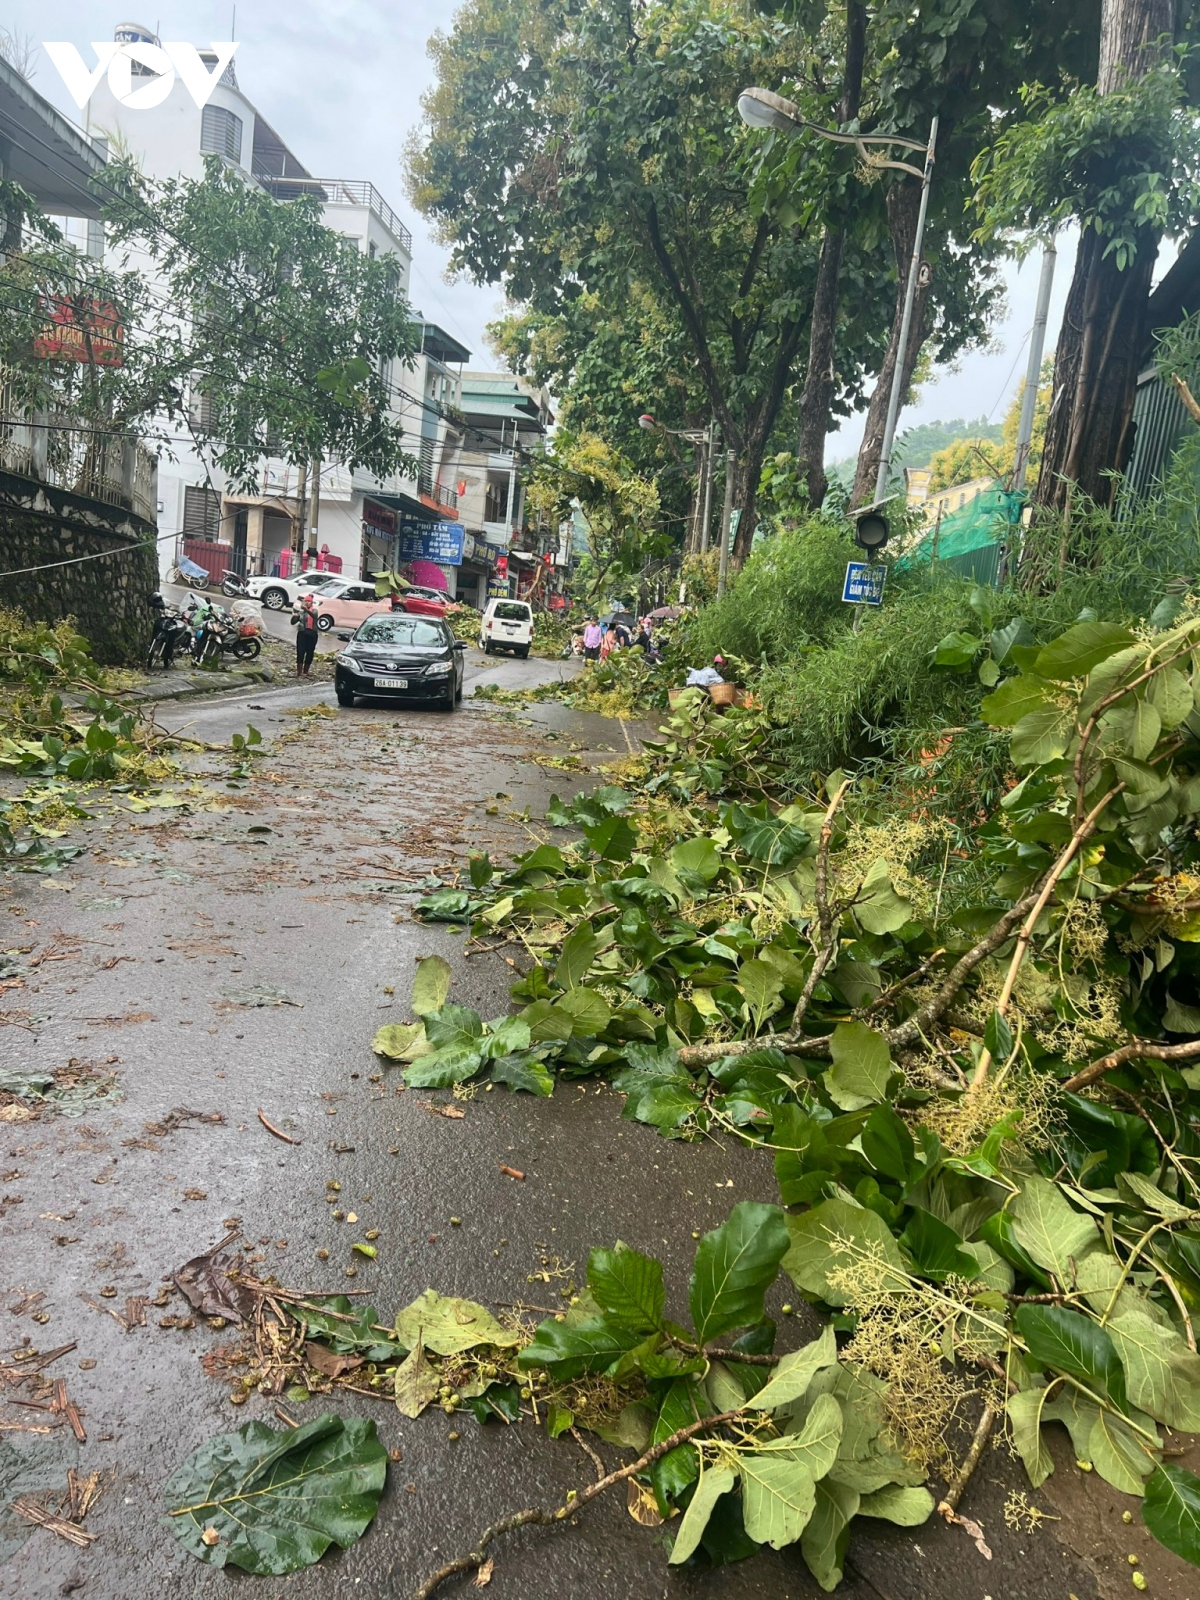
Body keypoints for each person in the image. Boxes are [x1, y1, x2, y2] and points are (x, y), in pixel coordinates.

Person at [291, 592, 319, 676]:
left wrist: (306, 610)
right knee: (300, 652)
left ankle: (306, 671)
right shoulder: (301, 613)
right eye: (305, 601)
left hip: (312, 634)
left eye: (308, 601)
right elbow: (293, 622)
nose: (306, 603)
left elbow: (314, 616)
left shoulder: (314, 611)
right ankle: (299, 672)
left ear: (311, 603)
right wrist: (294, 617)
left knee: (310, 652)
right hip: (302, 633)